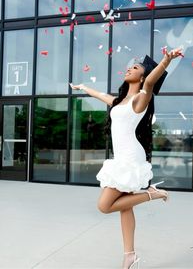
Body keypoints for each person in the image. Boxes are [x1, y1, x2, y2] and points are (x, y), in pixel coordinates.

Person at [70, 47, 182, 269]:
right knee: (124, 207)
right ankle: (129, 255)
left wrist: (165, 61)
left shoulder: (141, 98)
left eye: (136, 67)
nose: (129, 67)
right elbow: (101, 96)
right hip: (122, 157)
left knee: (104, 206)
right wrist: (83, 87)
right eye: (130, 65)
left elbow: (150, 83)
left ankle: (152, 194)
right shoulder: (119, 101)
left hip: (130, 158)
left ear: (142, 75)